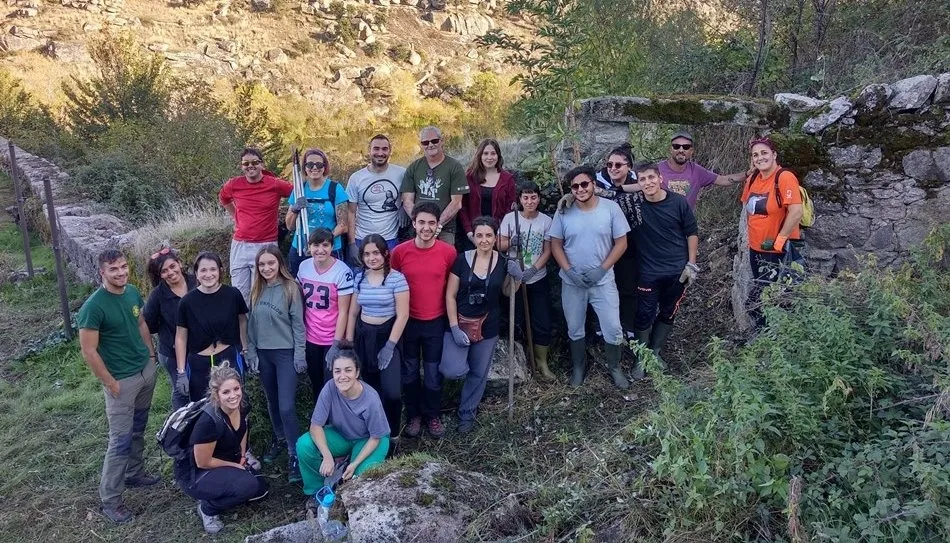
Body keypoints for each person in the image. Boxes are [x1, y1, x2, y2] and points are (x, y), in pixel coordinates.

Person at [78, 249, 159, 524]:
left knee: (138, 428)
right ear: (102, 272)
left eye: (123, 267)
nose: (121, 272)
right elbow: (89, 351)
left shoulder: (133, 292)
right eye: (114, 269)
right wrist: (110, 382)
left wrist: (150, 356)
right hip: (121, 382)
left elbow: (140, 323)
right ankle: (110, 500)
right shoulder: (94, 307)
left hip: (144, 372)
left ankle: (134, 473)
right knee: (120, 441)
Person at [549, 166, 631, 389]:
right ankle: (578, 367)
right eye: (574, 186)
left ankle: (615, 367)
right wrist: (568, 270)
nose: (580, 189)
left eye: (584, 184)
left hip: (603, 281)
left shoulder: (610, 209)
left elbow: (621, 242)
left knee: (613, 327)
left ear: (594, 184)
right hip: (572, 282)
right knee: (574, 326)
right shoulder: (564, 211)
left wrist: (602, 269)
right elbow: (555, 244)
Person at [391, 202, 457, 438]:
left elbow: (453, 287)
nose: (426, 227)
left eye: (431, 223)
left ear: (438, 225)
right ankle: (414, 416)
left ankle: (432, 415)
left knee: (431, 373)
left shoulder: (448, 252)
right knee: (409, 372)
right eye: (422, 222)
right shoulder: (400, 252)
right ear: (414, 223)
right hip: (408, 322)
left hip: (435, 322)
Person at [177, 364, 269, 535]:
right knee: (247, 486)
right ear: (216, 395)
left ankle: (222, 489)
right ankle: (207, 508)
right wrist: (236, 467)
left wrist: (242, 456)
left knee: (261, 490)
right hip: (197, 473)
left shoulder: (242, 404)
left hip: (224, 459)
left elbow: (243, 429)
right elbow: (203, 462)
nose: (233, 396)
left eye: (236, 389)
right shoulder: (209, 421)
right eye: (226, 392)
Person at [630, 162, 699, 376]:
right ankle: (643, 358)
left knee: (669, 311)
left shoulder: (678, 202)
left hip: (677, 272)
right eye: (642, 179)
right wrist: (571, 199)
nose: (648, 182)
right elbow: (604, 199)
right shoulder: (633, 205)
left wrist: (691, 264)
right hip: (648, 272)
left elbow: (692, 232)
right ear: (638, 183)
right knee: (644, 314)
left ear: (660, 178)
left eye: (651, 177)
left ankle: (656, 350)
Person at [296, 350, 390, 505]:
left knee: (360, 479)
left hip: (370, 440)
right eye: (337, 371)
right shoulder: (330, 388)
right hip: (342, 435)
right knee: (304, 444)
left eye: (348, 370)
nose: (342, 376)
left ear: (357, 372)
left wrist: (355, 463)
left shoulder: (371, 399)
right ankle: (317, 490)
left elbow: (375, 437)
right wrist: (327, 456)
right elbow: (315, 426)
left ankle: (349, 465)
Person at [246, 246, 307, 482]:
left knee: (286, 406)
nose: (266, 268)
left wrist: (299, 354)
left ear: (279, 264)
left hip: (285, 353)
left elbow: (298, 325)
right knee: (271, 401)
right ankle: (280, 438)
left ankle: (295, 453)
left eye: (270, 263)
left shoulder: (290, 288)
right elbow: (251, 325)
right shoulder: (256, 290)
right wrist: (251, 352)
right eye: (262, 265)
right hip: (263, 354)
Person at [443, 216, 508, 433]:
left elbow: (508, 293)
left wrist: (516, 276)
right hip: (460, 322)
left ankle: (467, 414)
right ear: (474, 237)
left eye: (489, 235)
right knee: (452, 369)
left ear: (495, 237)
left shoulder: (504, 262)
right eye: (479, 235)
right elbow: (450, 295)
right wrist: (453, 326)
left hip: (488, 324)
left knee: (479, 373)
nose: (484, 240)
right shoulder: (462, 259)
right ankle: (450, 397)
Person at [345, 234, 409, 439]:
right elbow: (353, 312)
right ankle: (375, 433)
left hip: (387, 336)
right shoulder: (359, 278)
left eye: (376, 253)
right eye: (366, 254)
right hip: (364, 338)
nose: (371, 258)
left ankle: (393, 436)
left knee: (392, 392)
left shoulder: (396, 279)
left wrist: (390, 346)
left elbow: (403, 314)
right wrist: (348, 343)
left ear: (385, 253)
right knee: (371, 390)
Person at [740, 137, 804, 327]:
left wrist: (780, 239)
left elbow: (796, 211)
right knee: (765, 293)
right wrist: (749, 238)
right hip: (756, 248)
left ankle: (767, 336)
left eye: (764, 153)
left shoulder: (784, 177)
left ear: (774, 155)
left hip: (778, 250)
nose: (760, 158)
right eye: (755, 155)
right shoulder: (753, 178)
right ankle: (768, 337)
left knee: (759, 299)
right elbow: (748, 209)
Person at [219, 148, 294, 304]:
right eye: (246, 163)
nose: (250, 166)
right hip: (240, 245)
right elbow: (224, 199)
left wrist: (294, 211)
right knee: (239, 294)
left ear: (262, 165)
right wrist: (236, 218)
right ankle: (242, 328)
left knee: (261, 295)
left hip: (265, 245)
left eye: (254, 162)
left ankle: (260, 327)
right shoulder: (234, 184)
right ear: (241, 166)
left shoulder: (275, 184)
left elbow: (296, 193)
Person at [175, 252, 249, 402]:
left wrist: (246, 349)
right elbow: (181, 337)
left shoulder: (233, 294)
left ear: (220, 271)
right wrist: (181, 372)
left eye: (213, 269)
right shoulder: (187, 302)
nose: (208, 274)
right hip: (199, 363)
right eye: (203, 270)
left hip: (228, 358)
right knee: (202, 408)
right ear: (196, 273)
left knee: (234, 404)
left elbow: (243, 320)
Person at [499, 181, 555, 380]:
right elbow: (500, 245)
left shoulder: (546, 221)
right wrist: (510, 243)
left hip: (537, 278)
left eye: (533, 197)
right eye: (525, 197)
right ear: (520, 199)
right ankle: (522, 361)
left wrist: (534, 269)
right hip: (515, 278)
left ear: (539, 198)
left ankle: (541, 362)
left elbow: (548, 249)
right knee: (517, 320)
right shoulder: (509, 219)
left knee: (542, 321)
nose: (530, 201)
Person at [297, 228, 354, 403]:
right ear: (309, 247)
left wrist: (337, 343)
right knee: (316, 381)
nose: (320, 250)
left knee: (333, 383)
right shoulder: (304, 266)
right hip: (311, 336)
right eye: (315, 245)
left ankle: (336, 420)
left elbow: (344, 311)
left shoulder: (342, 271)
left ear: (332, 246)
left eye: (325, 245)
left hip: (331, 337)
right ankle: (320, 417)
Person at [596, 144, 642, 338]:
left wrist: (615, 191)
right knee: (603, 286)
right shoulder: (597, 180)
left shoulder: (637, 182)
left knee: (628, 286)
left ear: (629, 167)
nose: (613, 168)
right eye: (609, 164)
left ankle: (628, 326)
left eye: (618, 165)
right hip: (603, 242)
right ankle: (602, 326)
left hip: (631, 242)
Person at [143, 246, 196, 410]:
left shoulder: (196, 281)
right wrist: (168, 329)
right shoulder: (158, 296)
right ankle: (179, 426)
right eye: (164, 271)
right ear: (159, 275)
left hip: (199, 347)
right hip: (172, 352)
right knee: (182, 391)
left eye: (172, 266)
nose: (170, 272)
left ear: (180, 264)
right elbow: (148, 324)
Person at [400, 126, 469, 245]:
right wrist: (420, 224)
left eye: (434, 141)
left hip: (445, 228)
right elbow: (407, 201)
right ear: (421, 145)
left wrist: (437, 224)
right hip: (419, 230)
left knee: (446, 261)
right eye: (425, 142)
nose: (430, 145)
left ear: (441, 141)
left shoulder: (454, 167)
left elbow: (456, 203)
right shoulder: (414, 167)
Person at [285, 148, 350, 276]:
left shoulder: (335, 189)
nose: (314, 168)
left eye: (319, 164)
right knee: (299, 288)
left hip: (328, 249)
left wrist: (319, 243)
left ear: (324, 167)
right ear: (304, 167)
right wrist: (294, 209)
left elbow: (343, 226)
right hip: (301, 249)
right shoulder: (299, 189)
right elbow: (289, 226)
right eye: (310, 164)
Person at [346, 134, 407, 257]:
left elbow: (410, 196)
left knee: (390, 275)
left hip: (390, 239)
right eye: (376, 149)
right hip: (362, 238)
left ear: (390, 151)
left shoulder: (401, 173)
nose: (380, 153)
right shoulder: (356, 178)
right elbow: (350, 212)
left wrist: (403, 208)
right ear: (369, 151)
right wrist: (352, 244)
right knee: (360, 276)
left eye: (384, 149)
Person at [658, 131, 748, 210]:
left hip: (685, 225)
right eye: (676, 146)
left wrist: (748, 173)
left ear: (691, 151)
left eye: (686, 147)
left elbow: (723, 180)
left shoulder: (697, 171)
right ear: (671, 149)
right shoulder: (657, 169)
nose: (681, 150)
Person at [459, 139, 517, 250]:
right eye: (485, 153)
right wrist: (469, 232)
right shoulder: (469, 177)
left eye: (493, 153)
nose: (489, 157)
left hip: (498, 236)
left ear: (498, 156)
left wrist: (501, 234)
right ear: (480, 155)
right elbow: (462, 207)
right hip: (473, 235)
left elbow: (510, 209)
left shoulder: (507, 179)